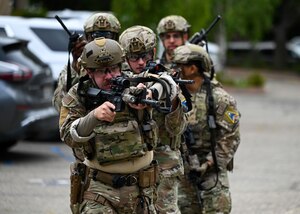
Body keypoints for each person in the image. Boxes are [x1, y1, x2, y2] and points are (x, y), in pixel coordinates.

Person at [60, 37, 164, 213]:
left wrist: (152, 93)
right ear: (89, 72)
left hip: (143, 190)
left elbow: (168, 84)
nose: (109, 76)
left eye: (114, 68)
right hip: (101, 190)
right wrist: (94, 116)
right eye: (102, 71)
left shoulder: (135, 83)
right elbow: (67, 135)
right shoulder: (78, 95)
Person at [119, 25, 187, 214]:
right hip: (128, 167)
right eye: (134, 57)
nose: (141, 62)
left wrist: (171, 97)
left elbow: (177, 129)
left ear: (154, 52)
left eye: (146, 55)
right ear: (125, 57)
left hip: (162, 166)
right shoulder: (116, 81)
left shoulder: (167, 78)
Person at [172, 44, 241, 214]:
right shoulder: (176, 96)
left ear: (193, 68)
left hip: (212, 172)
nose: (174, 70)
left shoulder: (219, 99)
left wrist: (209, 163)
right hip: (186, 173)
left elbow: (231, 137)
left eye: (179, 66)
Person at [52, 12, 121, 114]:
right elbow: (60, 106)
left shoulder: (125, 64)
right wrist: (76, 66)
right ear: (87, 38)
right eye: (95, 36)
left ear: (116, 38)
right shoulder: (75, 67)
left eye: (107, 36)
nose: (101, 42)